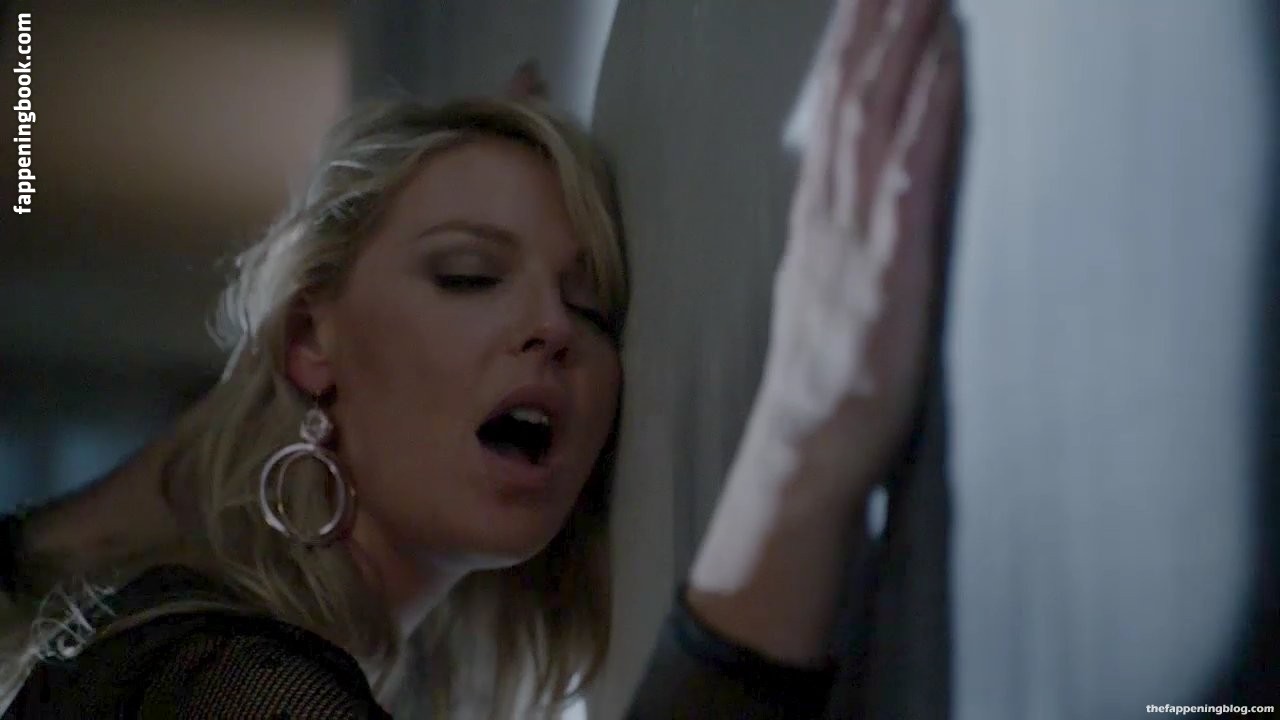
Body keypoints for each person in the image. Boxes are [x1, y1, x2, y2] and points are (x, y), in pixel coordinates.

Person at [0, 0, 965, 717]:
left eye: (590, 307)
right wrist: (804, 436)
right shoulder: (210, 674)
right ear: (307, 344)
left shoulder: (187, 645)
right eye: (467, 276)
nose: (551, 327)